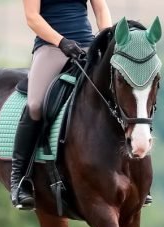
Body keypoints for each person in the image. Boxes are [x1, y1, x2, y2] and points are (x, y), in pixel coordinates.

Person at [11, 0, 114, 210]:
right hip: (51, 47)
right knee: (36, 105)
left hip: (87, 45)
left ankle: (132, 171)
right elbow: (32, 17)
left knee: (117, 96)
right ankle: (19, 179)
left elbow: (101, 9)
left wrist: (107, 40)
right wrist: (61, 42)